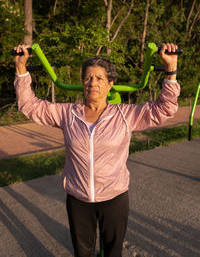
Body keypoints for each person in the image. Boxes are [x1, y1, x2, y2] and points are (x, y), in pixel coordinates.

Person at [14, 43, 180, 257]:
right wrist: (21, 69)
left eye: (100, 78)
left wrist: (171, 70)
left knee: (113, 253)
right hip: (78, 200)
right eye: (88, 78)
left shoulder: (124, 115)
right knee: (83, 254)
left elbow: (164, 109)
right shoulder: (68, 114)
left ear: (111, 84)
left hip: (114, 198)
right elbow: (29, 105)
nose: (93, 83)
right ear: (83, 82)